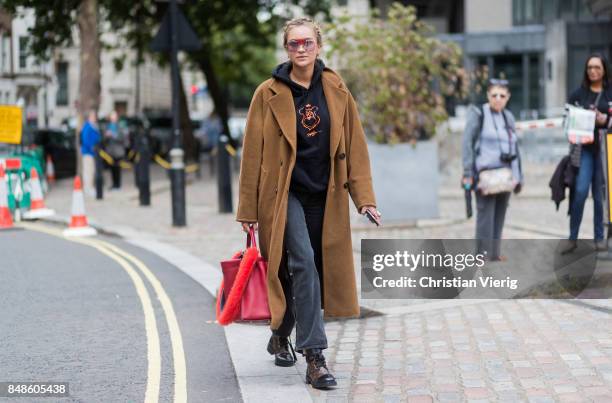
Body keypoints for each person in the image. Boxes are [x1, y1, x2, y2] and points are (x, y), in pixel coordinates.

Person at [236, 17, 379, 390]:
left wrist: (363, 199)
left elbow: (355, 145)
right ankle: (315, 357)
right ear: (286, 49)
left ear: (319, 45)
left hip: (326, 195)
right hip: (283, 196)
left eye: (307, 43)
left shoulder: (336, 87)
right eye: (293, 44)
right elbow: (252, 154)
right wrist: (248, 211)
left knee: (307, 271)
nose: (300, 49)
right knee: (301, 263)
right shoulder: (267, 93)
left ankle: (281, 332)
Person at [462, 79, 523, 261]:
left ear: (508, 97)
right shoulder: (478, 114)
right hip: (485, 175)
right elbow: (467, 144)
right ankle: (481, 255)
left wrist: (519, 176)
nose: (498, 99)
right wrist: (467, 173)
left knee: (499, 214)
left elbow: (515, 148)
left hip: (505, 174)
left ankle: (494, 254)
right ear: (488, 95)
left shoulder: (508, 117)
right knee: (485, 216)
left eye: (502, 96)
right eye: (494, 95)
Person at [562, 54, 612, 254]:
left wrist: (604, 121)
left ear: (604, 70)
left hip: (605, 151)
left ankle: (599, 238)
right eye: (590, 67)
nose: (593, 71)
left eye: (597, 67)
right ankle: (572, 238)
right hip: (584, 151)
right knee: (581, 191)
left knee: (600, 196)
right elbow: (566, 121)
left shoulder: (610, 94)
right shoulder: (577, 94)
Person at [80, 110, 101, 197]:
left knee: (91, 171)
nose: (94, 118)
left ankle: (89, 187)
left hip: (92, 152)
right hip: (88, 152)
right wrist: (91, 148)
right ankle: (88, 189)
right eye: (93, 116)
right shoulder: (88, 126)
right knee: (88, 171)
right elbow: (85, 140)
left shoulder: (93, 126)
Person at [104, 110, 124, 190]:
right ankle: (114, 184)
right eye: (112, 116)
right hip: (110, 151)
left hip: (118, 151)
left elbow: (121, 138)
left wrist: (113, 135)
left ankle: (118, 185)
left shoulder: (119, 126)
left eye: (114, 116)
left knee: (117, 168)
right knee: (112, 168)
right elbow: (104, 139)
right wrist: (106, 135)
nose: (113, 118)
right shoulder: (108, 126)